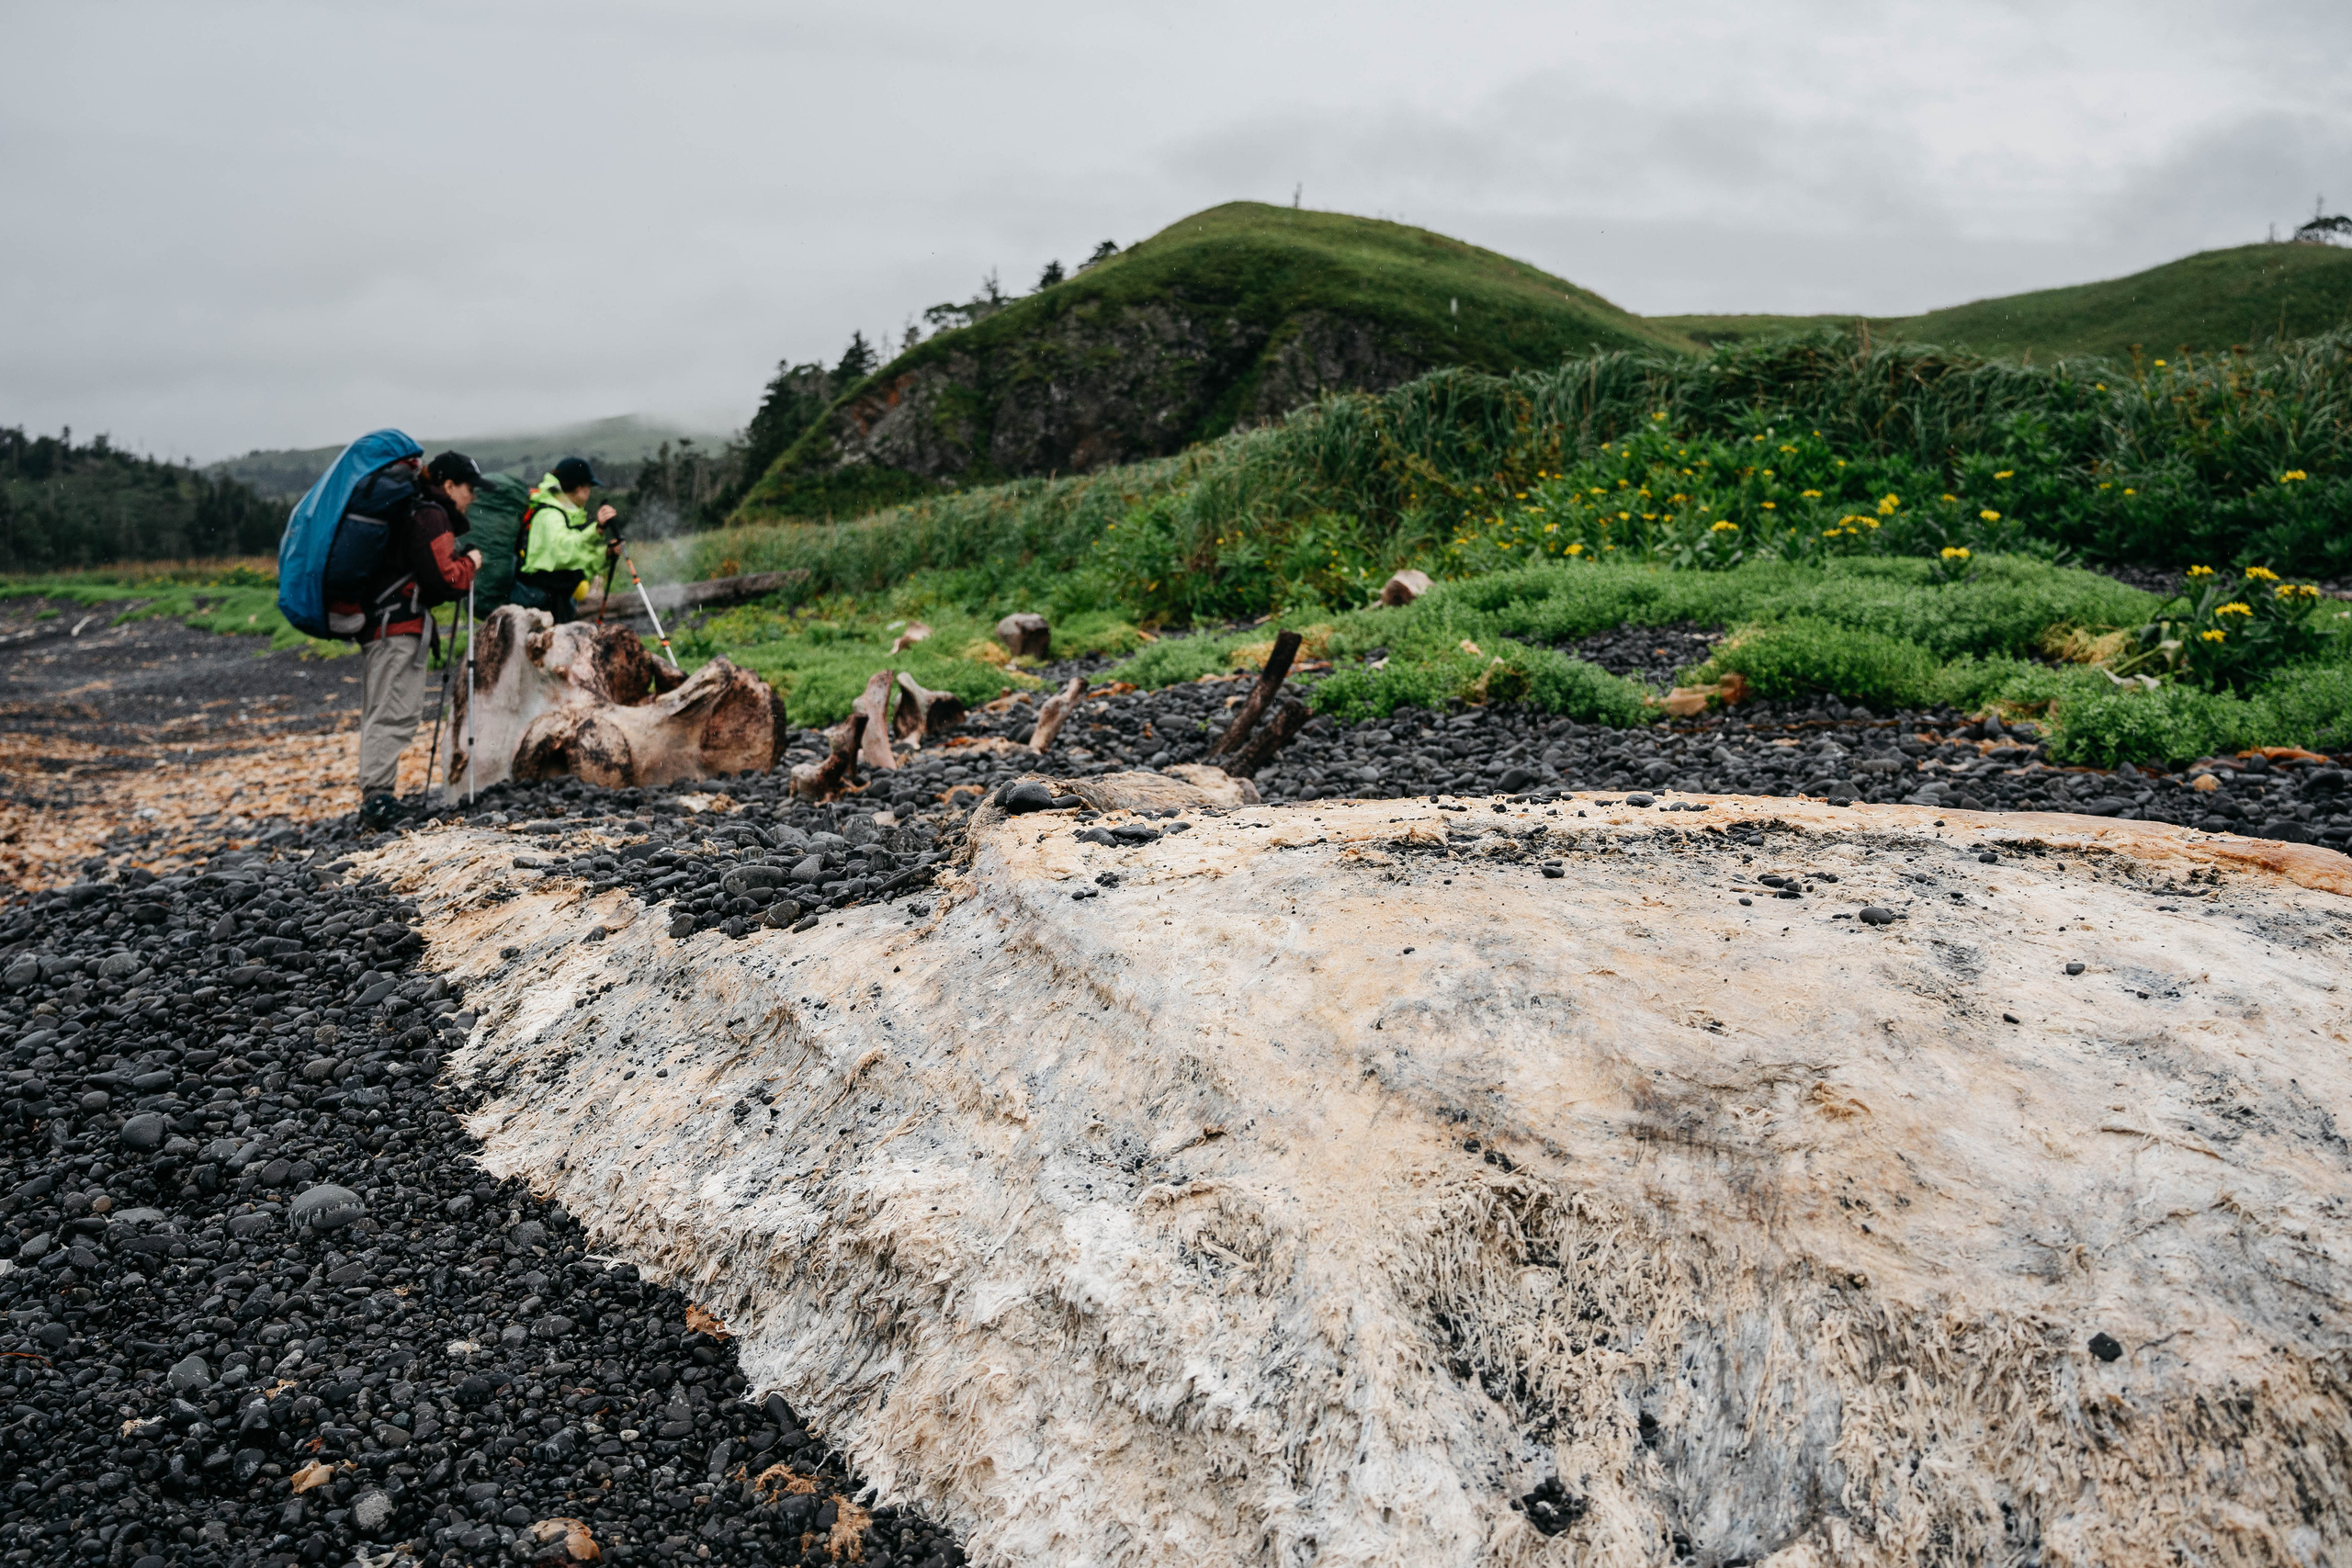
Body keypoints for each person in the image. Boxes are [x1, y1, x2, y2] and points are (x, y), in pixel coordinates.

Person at [342, 450, 485, 829]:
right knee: (394, 713)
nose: (473, 497)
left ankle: (377, 795)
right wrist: (471, 563)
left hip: (382, 625)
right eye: (470, 488)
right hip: (397, 628)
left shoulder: (414, 510)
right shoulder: (430, 514)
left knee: (382, 711)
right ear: (449, 484)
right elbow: (445, 578)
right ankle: (377, 803)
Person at [512, 455, 618, 622]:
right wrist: (597, 530)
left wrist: (607, 553)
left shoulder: (560, 512)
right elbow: (566, 552)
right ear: (580, 488)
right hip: (544, 604)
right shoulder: (550, 515)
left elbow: (576, 561)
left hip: (550, 600)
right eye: (589, 487)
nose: (589, 493)